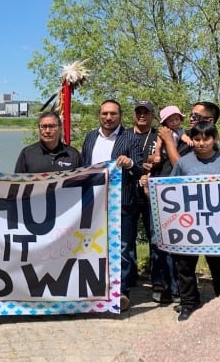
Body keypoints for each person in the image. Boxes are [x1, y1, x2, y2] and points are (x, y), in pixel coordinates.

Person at [168, 121, 220, 322]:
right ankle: (189, 304)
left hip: (218, 226)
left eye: (206, 138)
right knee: (185, 267)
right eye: (197, 139)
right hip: (189, 225)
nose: (201, 143)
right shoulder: (183, 163)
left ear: (215, 139)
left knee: (217, 267)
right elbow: (171, 190)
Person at [81, 100, 144, 312]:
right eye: (105, 113)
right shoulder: (90, 137)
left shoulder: (130, 138)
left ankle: (122, 292)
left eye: (113, 114)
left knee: (123, 247)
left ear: (120, 115)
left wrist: (131, 164)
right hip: (93, 202)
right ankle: (95, 287)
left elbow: (140, 170)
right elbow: (83, 168)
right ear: (99, 115)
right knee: (93, 245)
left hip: (122, 202)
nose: (109, 117)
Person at [131, 100, 178, 303]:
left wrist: (152, 163)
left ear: (152, 116)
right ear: (134, 114)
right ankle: (129, 280)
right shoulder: (124, 135)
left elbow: (170, 161)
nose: (142, 115)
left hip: (155, 193)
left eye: (146, 112)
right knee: (126, 240)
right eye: (139, 112)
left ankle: (159, 281)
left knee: (156, 239)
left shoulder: (161, 135)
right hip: (129, 192)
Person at [14, 111, 83, 173]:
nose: (47, 131)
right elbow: (16, 184)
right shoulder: (27, 154)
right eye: (43, 126)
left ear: (60, 128)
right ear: (39, 129)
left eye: (52, 126)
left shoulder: (73, 154)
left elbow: (82, 182)